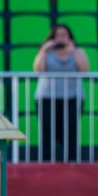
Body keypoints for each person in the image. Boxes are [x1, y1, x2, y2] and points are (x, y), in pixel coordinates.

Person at [33, 23, 89, 162]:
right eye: (57, 35)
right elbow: (38, 70)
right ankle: (45, 163)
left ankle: (71, 162)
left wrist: (73, 51)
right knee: (48, 131)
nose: (60, 38)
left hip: (73, 97)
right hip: (47, 97)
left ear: (69, 37)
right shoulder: (47, 52)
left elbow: (84, 69)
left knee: (70, 131)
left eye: (64, 35)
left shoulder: (78, 51)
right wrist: (44, 50)